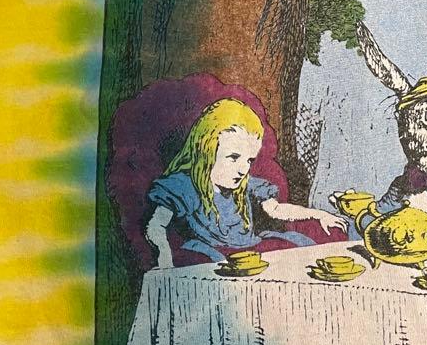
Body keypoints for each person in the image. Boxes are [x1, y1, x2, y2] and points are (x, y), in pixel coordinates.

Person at [145, 98, 344, 266]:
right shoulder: (185, 186)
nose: (243, 169)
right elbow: (156, 225)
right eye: (233, 157)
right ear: (207, 150)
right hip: (213, 254)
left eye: (249, 160)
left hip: (250, 249)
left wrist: (318, 214)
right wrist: (164, 256)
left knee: (300, 247)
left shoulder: (245, 184)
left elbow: (276, 209)